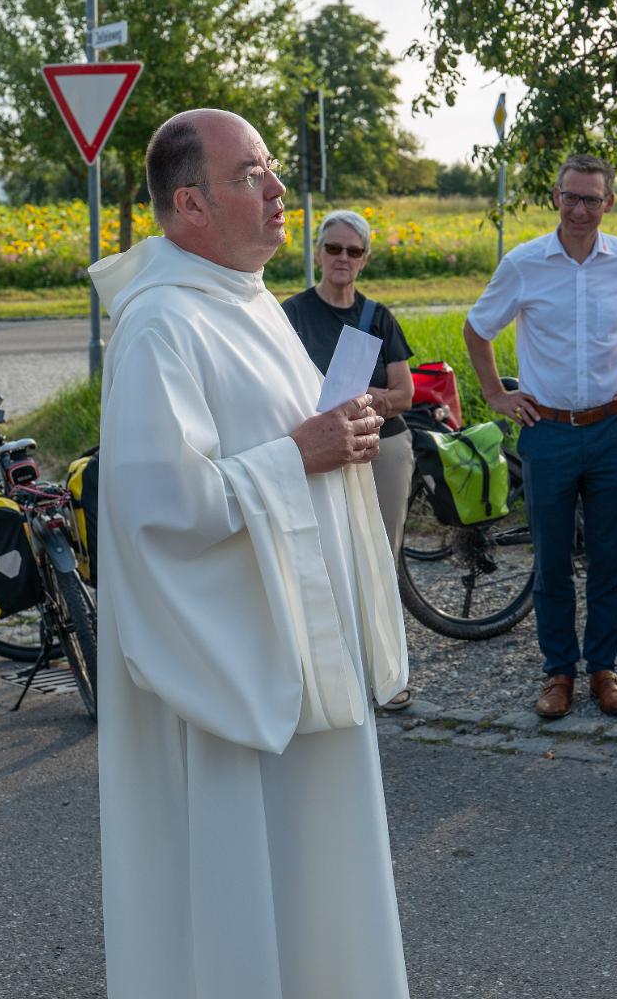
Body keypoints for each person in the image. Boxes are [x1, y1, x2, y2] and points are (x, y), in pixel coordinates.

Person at [89, 109, 410, 998]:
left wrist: (337, 434)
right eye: (250, 176)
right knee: (241, 893)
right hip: (233, 678)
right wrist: (299, 456)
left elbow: (288, 443)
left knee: (314, 888)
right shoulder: (163, 328)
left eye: (270, 170)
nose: (277, 192)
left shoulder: (247, 302)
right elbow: (160, 511)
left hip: (303, 657)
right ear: (189, 204)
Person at [464, 153, 617, 719]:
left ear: (609, 202)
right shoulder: (524, 263)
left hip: (613, 427)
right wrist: (496, 396)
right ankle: (559, 673)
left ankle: (604, 669)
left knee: (610, 559)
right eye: (571, 197)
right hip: (548, 431)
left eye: (592, 199)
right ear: (556, 197)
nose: (580, 209)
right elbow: (477, 329)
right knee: (551, 560)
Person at [284, 209, 417, 712]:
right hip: (318, 450)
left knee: (381, 558)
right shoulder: (291, 314)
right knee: (323, 557)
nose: (343, 258)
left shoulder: (377, 316)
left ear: (365, 259)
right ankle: (331, 671)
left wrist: (367, 398)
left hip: (379, 447)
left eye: (353, 251)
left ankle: (387, 672)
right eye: (333, 249)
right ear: (317, 253)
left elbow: (404, 393)